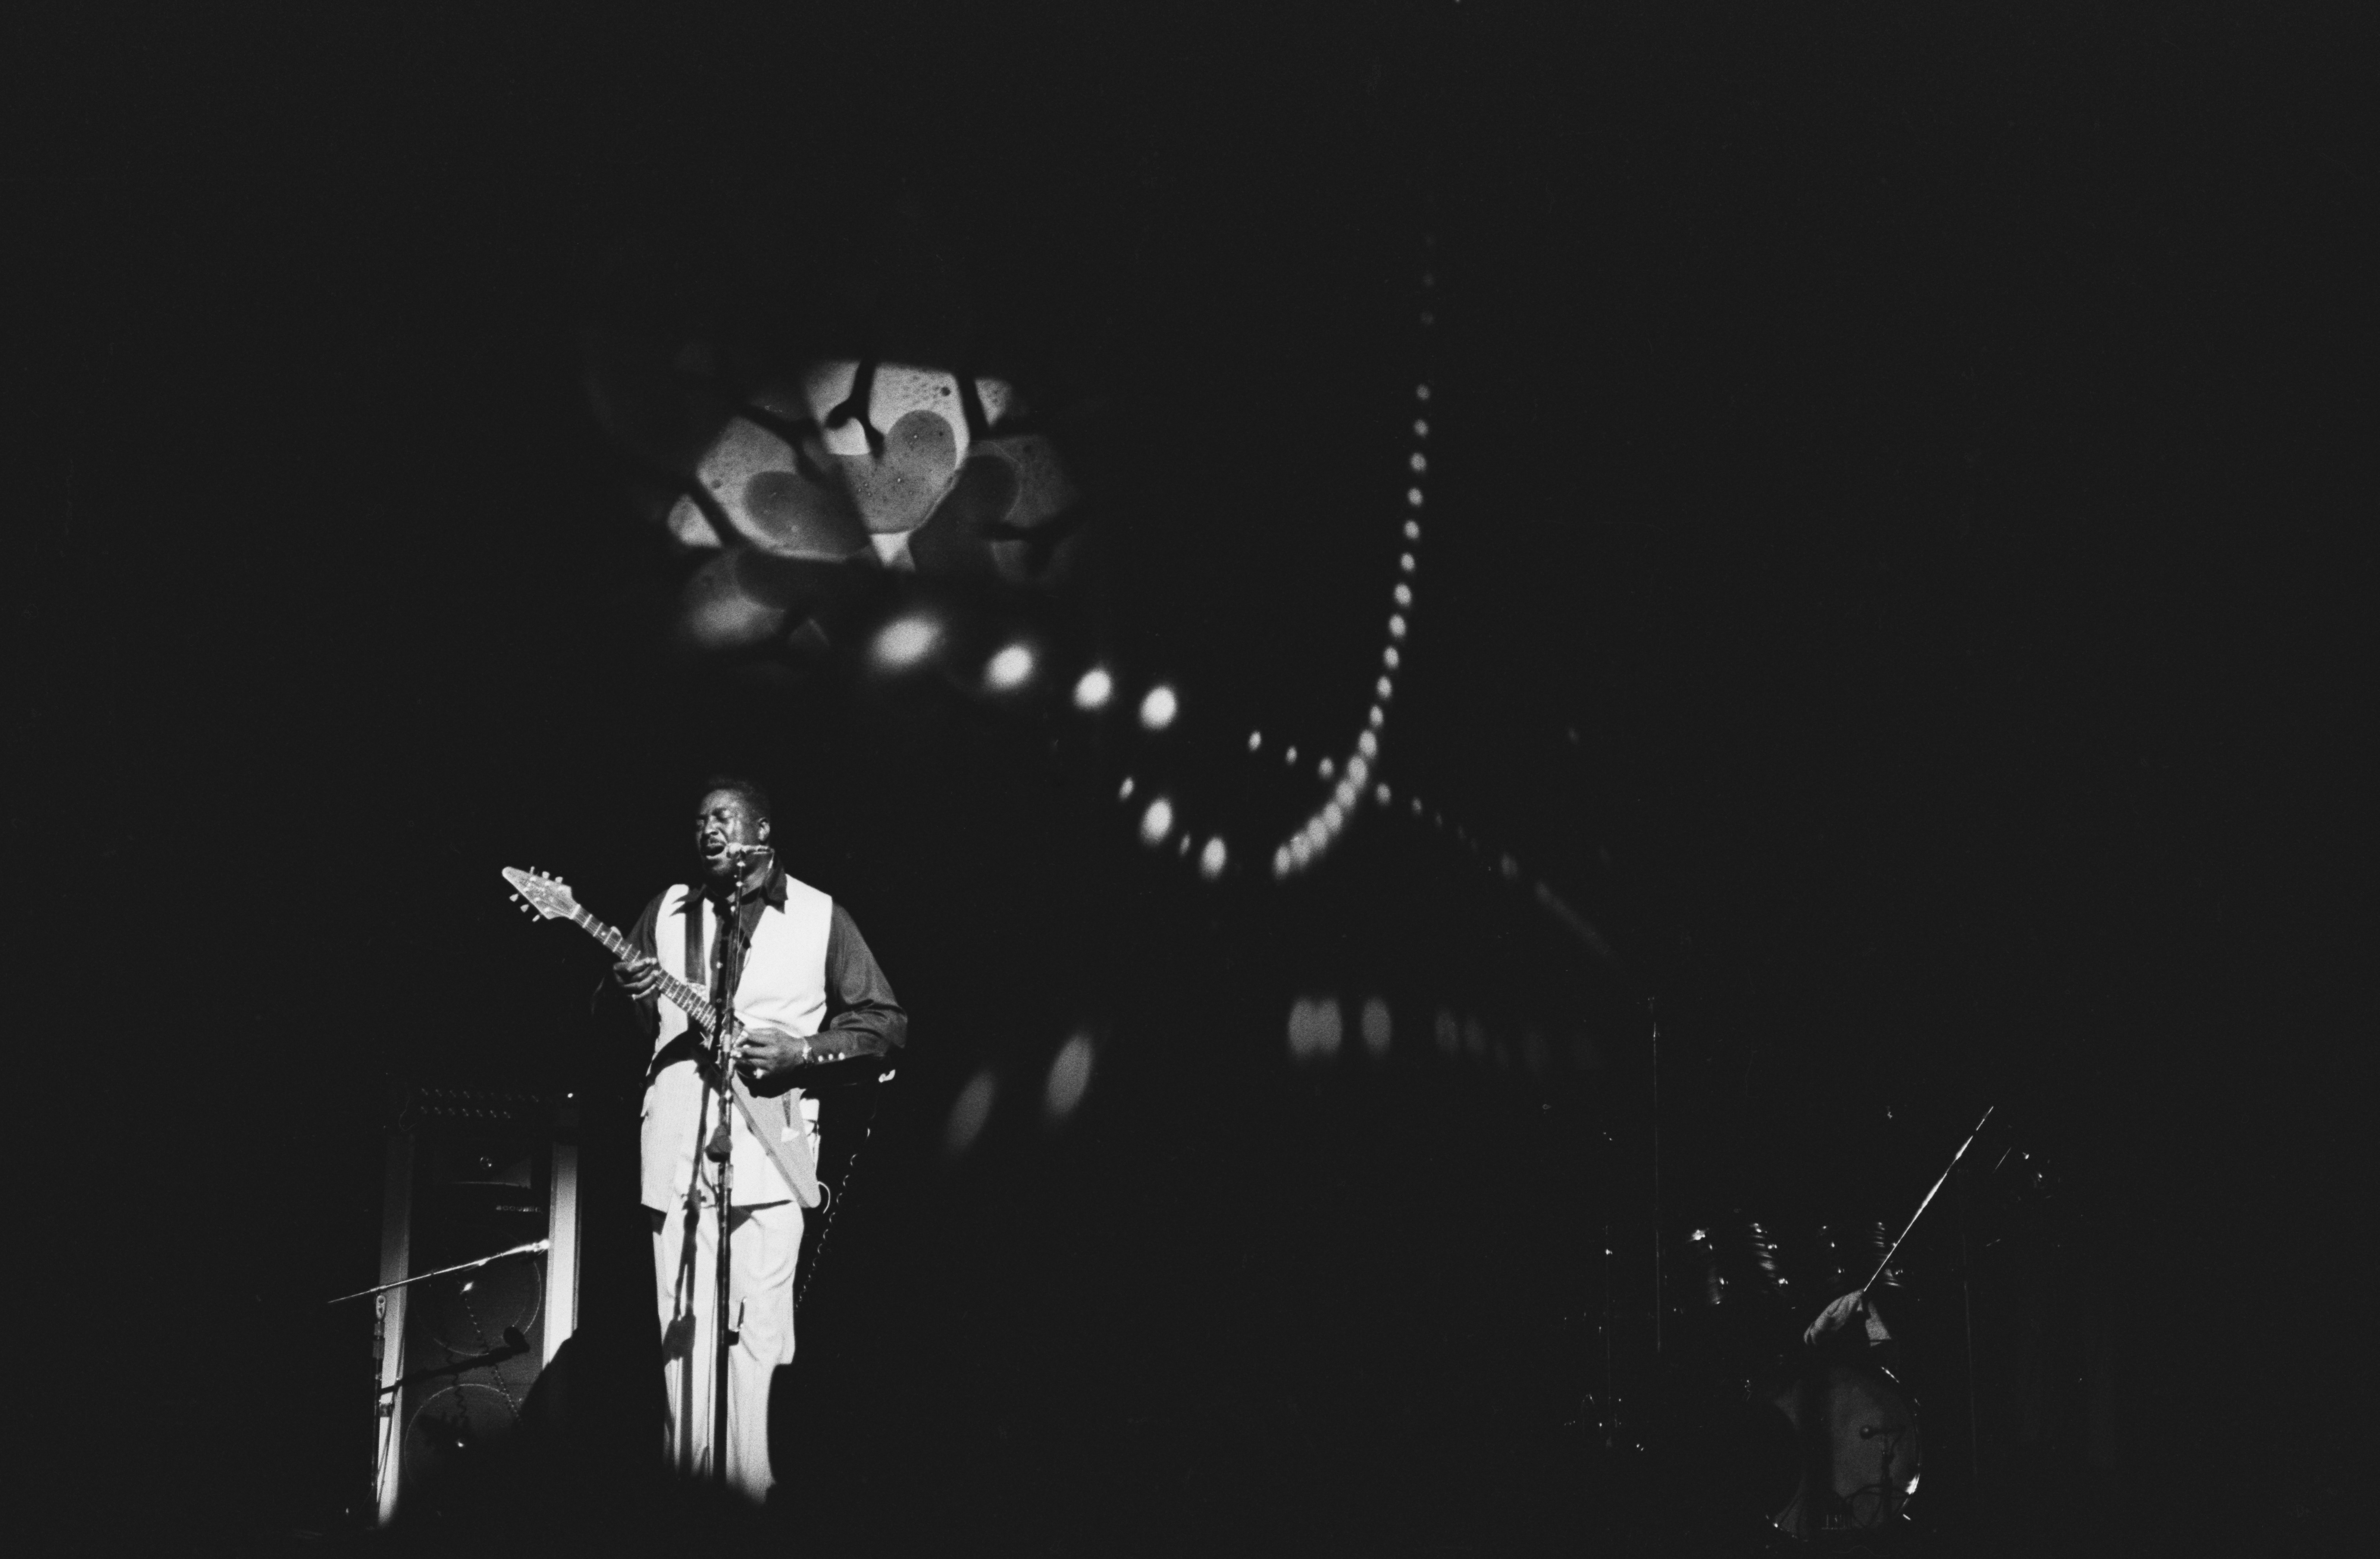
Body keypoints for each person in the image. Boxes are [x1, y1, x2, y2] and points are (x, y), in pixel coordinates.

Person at [608, 775, 907, 1503]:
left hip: (775, 1154)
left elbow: (886, 1026)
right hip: (678, 1148)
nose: (707, 830)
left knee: (763, 1336)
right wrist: (629, 995)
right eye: (699, 821)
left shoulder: (821, 916)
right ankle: (688, 1497)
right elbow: (622, 1034)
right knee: (683, 1335)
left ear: (762, 833)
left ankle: (751, 1498)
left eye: (723, 817)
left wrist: (804, 1052)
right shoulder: (668, 912)